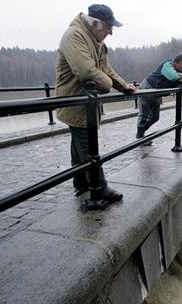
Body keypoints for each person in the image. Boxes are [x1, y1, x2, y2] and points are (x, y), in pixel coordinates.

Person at [56, 4, 137, 202]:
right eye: (109, 28)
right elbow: (87, 72)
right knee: (87, 146)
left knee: (78, 145)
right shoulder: (74, 36)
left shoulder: (95, 40)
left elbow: (106, 69)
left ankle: (80, 182)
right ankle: (98, 187)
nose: (111, 32)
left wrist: (122, 85)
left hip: (84, 103)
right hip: (75, 103)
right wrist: (109, 85)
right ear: (95, 24)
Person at [136, 53, 182, 138]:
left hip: (156, 94)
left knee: (155, 117)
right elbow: (173, 77)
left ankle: (142, 132)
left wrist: (181, 78)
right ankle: (140, 137)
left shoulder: (178, 72)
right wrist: (181, 77)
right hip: (147, 89)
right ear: (180, 62)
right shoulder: (167, 64)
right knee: (144, 115)